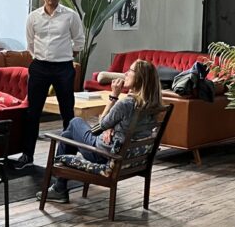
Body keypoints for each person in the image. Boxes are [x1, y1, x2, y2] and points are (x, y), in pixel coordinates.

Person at [41, 59, 163, 203]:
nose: (126, 73)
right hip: (131, 159)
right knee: (68, 135)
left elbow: (98, 127)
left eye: (130, 70)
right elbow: (119, 126)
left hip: (103, 154)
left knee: (75, 122)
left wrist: (114, 96)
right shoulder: (153, 105)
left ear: (140, 78)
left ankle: (59, 188)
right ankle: (58, 188)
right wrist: (112, 127)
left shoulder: (126, 103)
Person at [15, 0, 85, 169]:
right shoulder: (33, 17)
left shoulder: (70, 16)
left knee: (67, 112)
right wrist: (40, 57)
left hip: (63, 67)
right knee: (32, 112)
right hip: (39, 67)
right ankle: (27, 155)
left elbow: (79, 40)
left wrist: (65, 55)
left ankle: (67, 156)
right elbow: (30, 42)